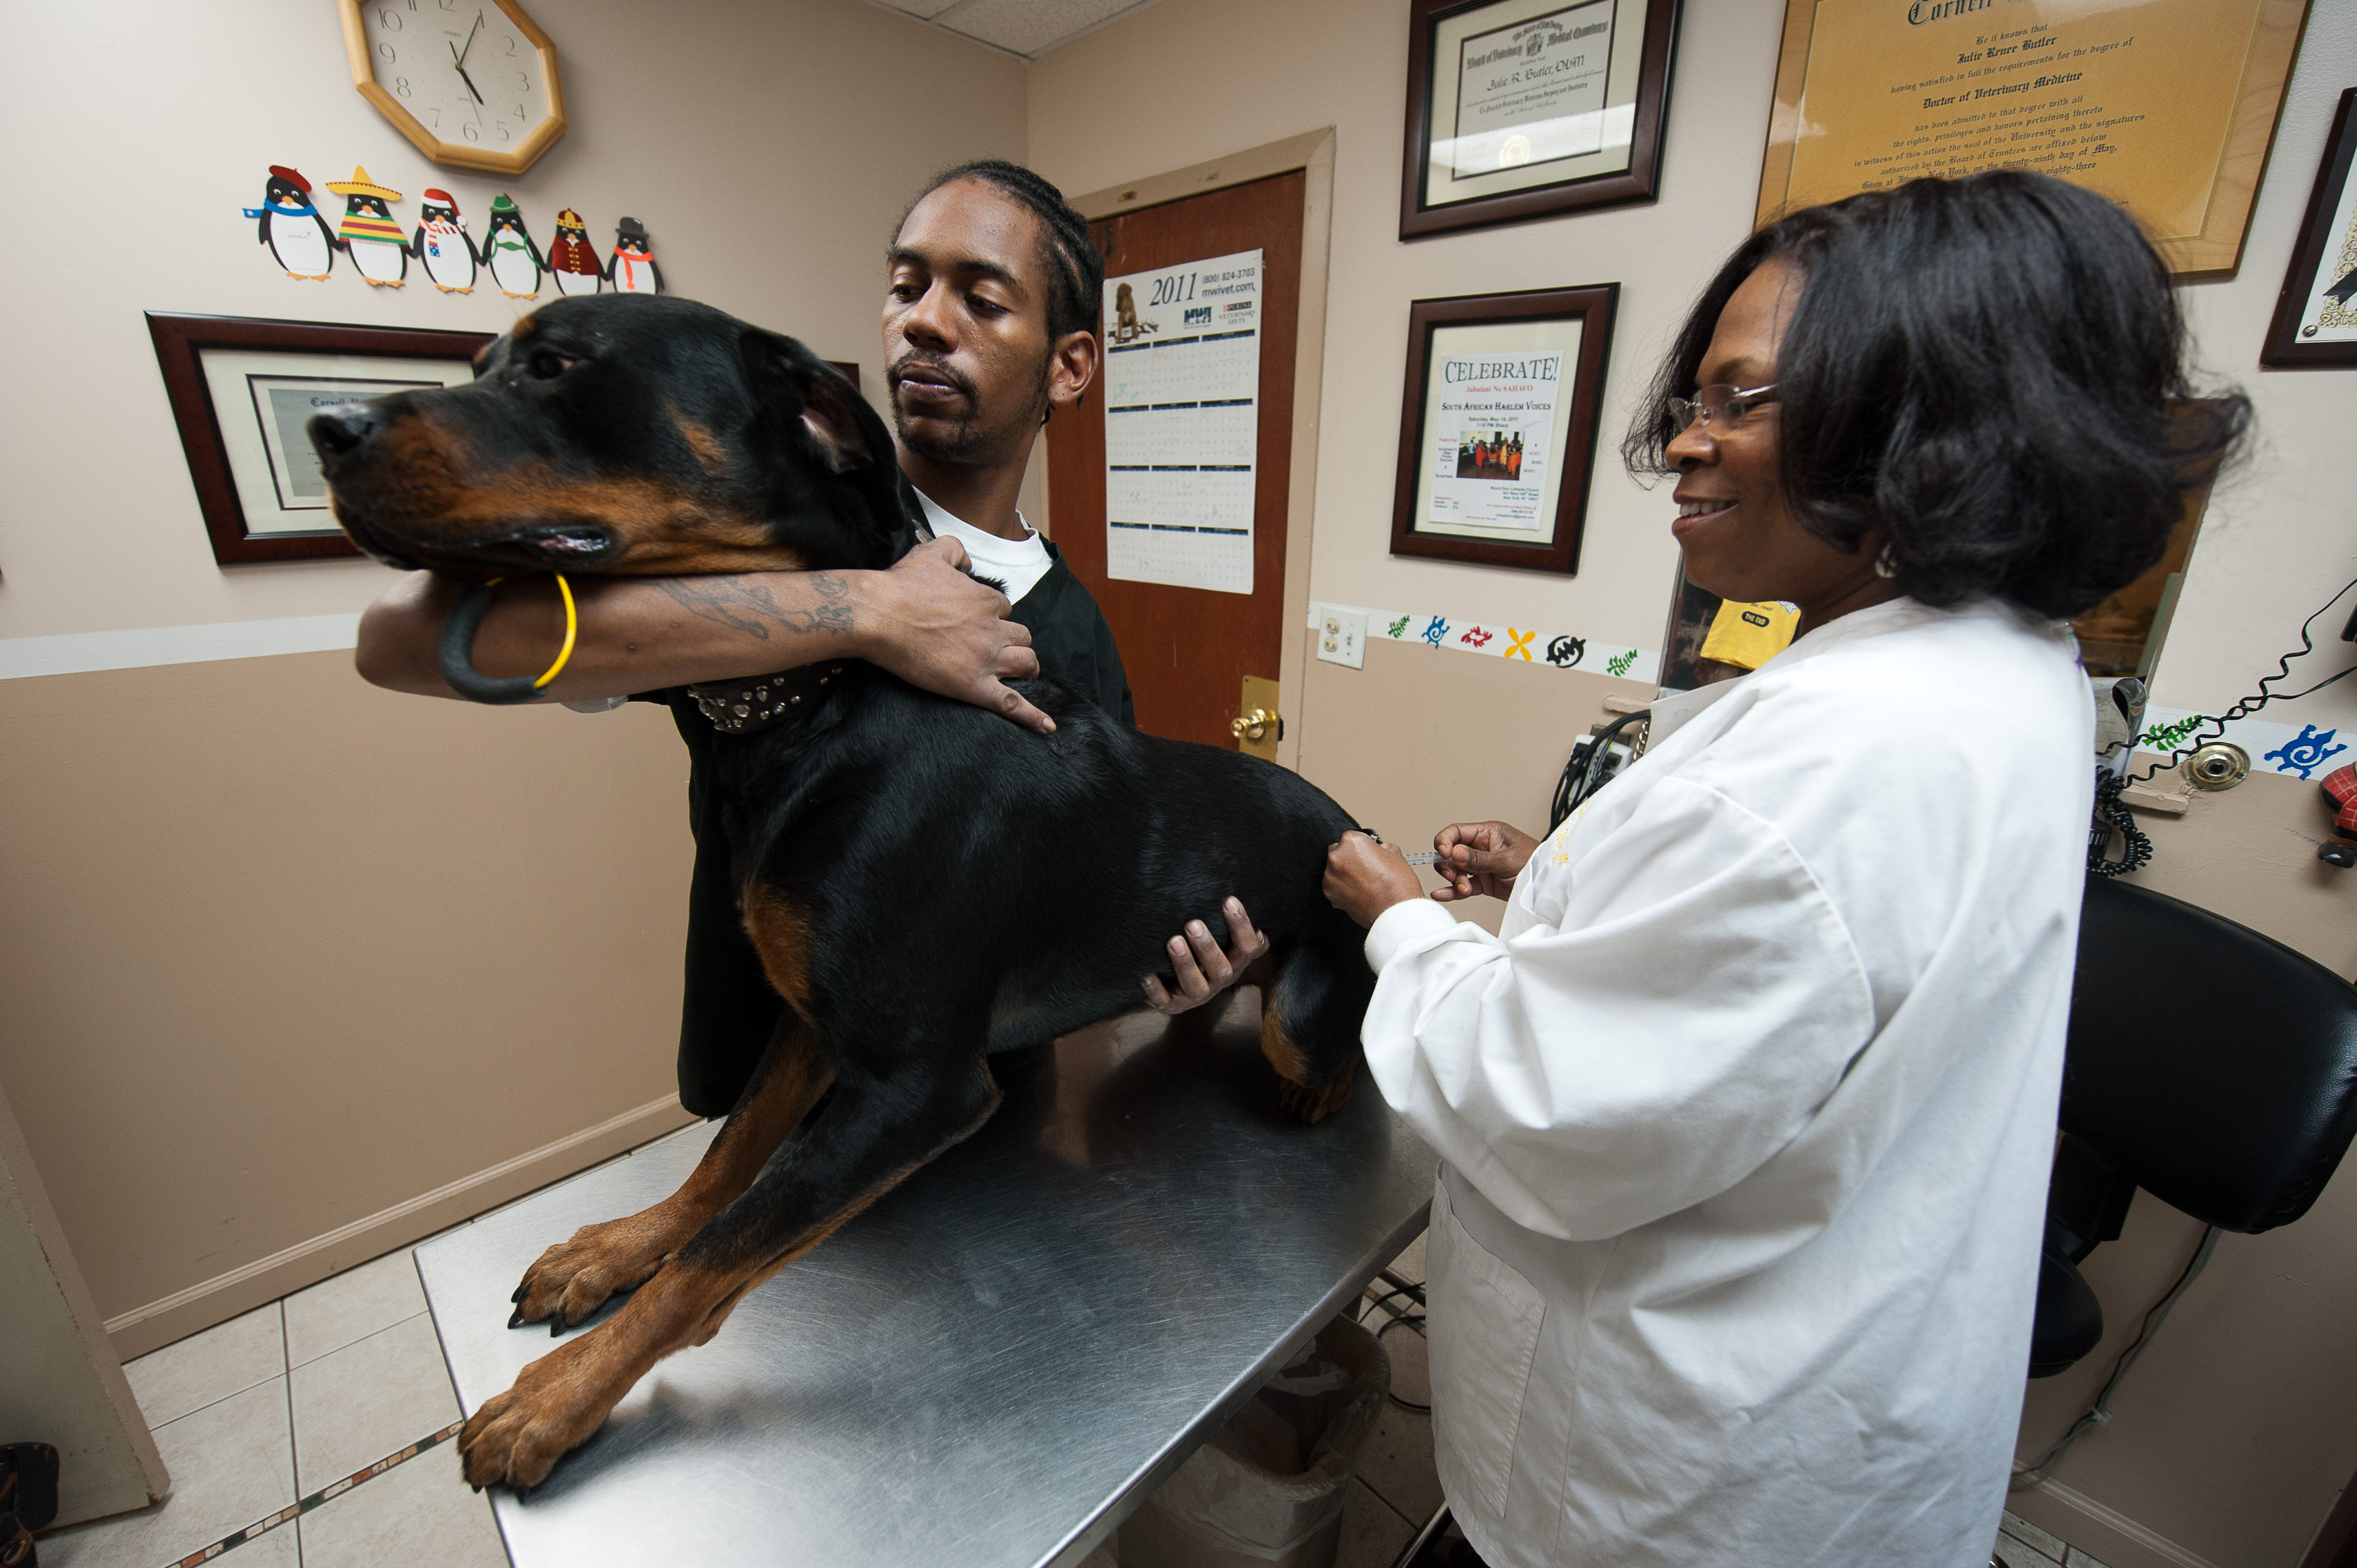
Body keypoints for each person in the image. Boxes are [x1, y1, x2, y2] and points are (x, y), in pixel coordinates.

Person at [1317, 172, 2249, 1566]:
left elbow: (1550, 1113)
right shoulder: (2009, 667)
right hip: (1846, 1397)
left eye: (1739, 401)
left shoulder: (1829, 760)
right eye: (1694, 401)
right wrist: (1566, 878)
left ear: (1930, 420)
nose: (1684, 447)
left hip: (1675, 1483)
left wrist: (1402, 923)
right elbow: (1806, 967)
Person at [357, 160, 1172, 1116]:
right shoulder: (750, 539)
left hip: (972, 1093)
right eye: (906, 287)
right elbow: (400, 640)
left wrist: (1177, 962)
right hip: (768, 1074)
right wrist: (867, 612)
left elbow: (1109, 877)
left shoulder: (1079, 633)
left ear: (1068, 366)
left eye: (982, 301)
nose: (924, 320)